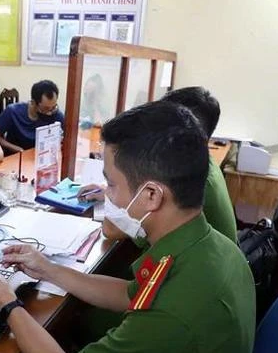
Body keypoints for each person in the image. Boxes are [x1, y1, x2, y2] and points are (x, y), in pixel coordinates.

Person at [0, 101, 256, 353]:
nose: (109, 196)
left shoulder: (178, 307)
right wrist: (47, 269)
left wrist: (7, 304)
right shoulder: (209, 248)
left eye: (112, 184)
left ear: (151, 195)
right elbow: (129, 294)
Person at [79, 86, 237, 244]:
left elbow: (111, 230)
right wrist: (116, 191)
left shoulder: (187, 180)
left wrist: (115, 195)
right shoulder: (200, 164)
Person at [0, 80, 65, 153]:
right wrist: (15, 148)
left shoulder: (55, 113)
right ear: (33, 102)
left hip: (41, 156)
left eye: (53, 107)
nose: (50, 113)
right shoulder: (13, 111)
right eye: (45, 109)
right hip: (16, 157)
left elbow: (68, 134)